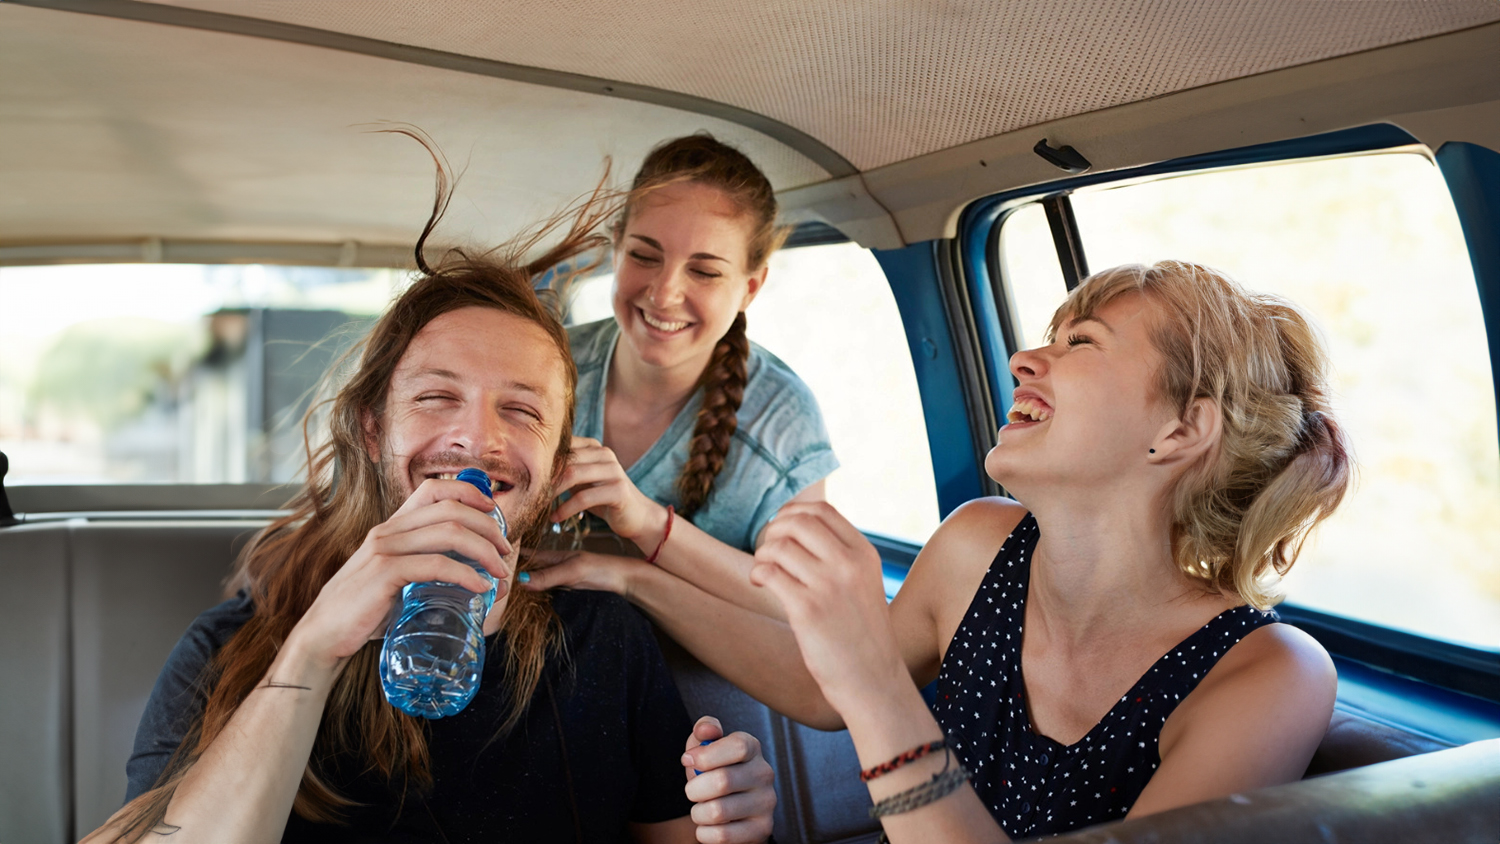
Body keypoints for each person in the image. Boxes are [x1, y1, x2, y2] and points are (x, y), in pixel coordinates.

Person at [83, 135, 776, 844]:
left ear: (558, 458)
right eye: (437, 398)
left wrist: (730, 827)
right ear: (371, 428)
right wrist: (315, 649)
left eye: (522, 409)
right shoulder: (237, 646)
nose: (479, 440)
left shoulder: (603, 640)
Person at [528, 261, 1351, 841]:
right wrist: (626, 579)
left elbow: (855, 688)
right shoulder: (977, 545)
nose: (1027, 359)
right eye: (1047, 336)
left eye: (1083, 343)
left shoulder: (1270, 675)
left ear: (1182, 428)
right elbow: (820, 694)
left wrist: (877, 686)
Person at [546, 134, 836, 621]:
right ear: (616, 247)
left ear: (750, 287)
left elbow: (804, 605)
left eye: (703, 271)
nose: (664, 294)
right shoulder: (546, 364)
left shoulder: (781, 421)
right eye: (644, 256)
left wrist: (641, 541)